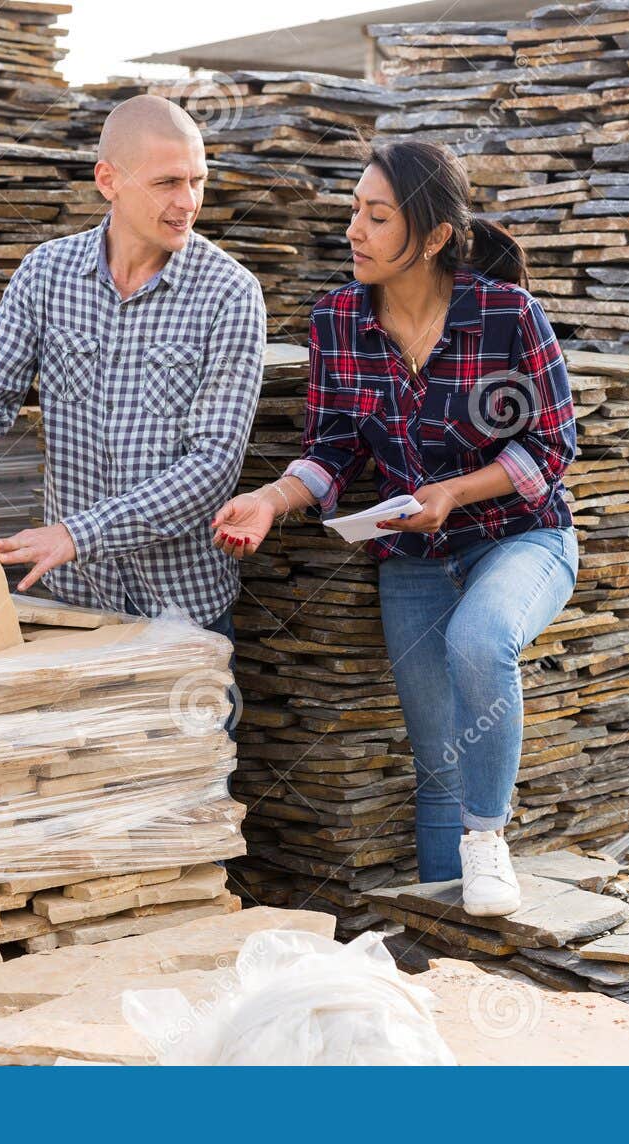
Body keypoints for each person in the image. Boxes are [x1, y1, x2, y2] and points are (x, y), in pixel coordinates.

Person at [210, 140, 579, 916]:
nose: (356, 230)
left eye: (378, 217)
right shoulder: (338, 319)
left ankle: (488, 840)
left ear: (435, 237)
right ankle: (448, 953)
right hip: (411, 555)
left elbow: (552, 447)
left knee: (480, 641)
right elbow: (332, 452)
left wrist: (454, 491)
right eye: (354, 211)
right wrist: (271, 502)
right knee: (436, 763)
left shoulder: (508, 314)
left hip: (522, 536)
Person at [0, 95, 266, 736]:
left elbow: (212, 467)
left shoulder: (230, 293)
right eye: (167, 183)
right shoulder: (47, 272)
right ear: (109, 181)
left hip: (182, 613)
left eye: (197, 180)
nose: (188, 201)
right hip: (75, 608)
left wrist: (76, 534)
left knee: (188, 816)